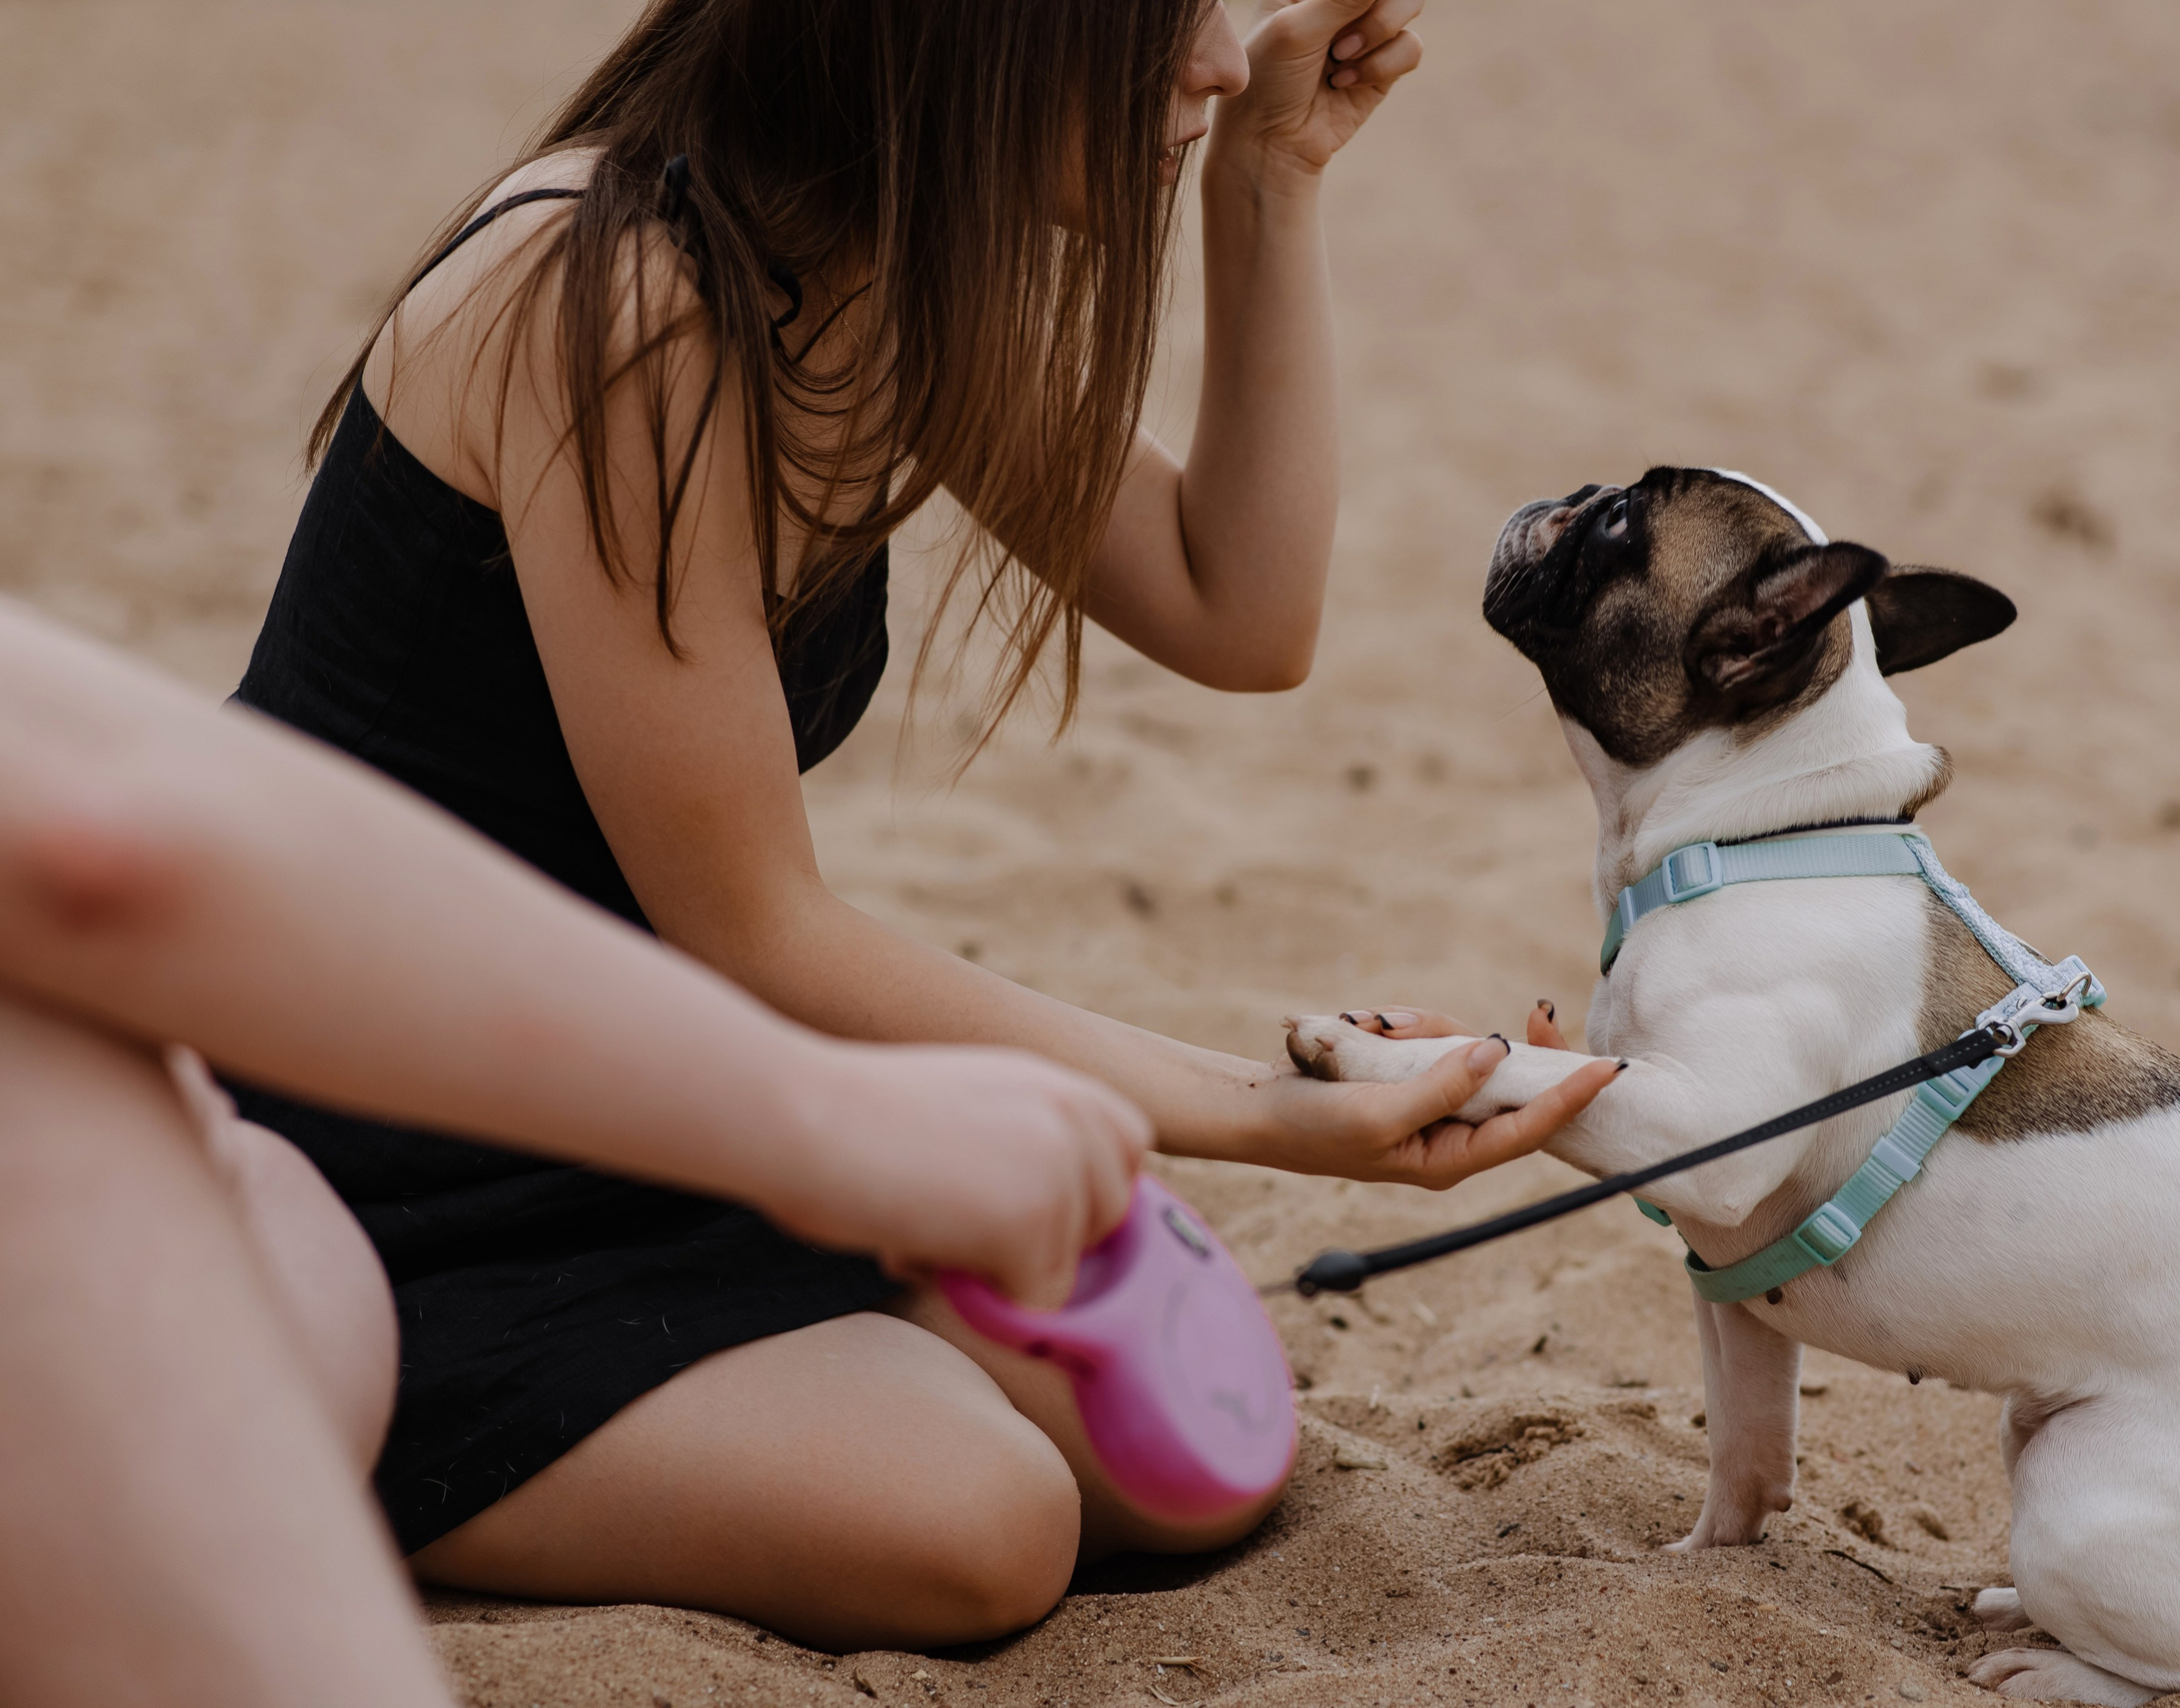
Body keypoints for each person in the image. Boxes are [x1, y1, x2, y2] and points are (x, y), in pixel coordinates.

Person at [230, 0, 1622, 1649]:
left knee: (1187, 1462)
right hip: (382, 1144)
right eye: (1160, 19)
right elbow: (755, 926)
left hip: (652, 1085)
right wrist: (1254, 1107)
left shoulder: (872, 262)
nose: (1219, 60)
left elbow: (1235, 603)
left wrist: (1269, 185)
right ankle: (250, 1447)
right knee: (983, 1518)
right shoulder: (626, 303)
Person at [0, 597, 1150, 1706]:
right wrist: (827, 1119)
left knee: (1141, 1448)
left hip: (532, 1147)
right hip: (421, 1180)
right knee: (150, 1166)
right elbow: (105, 839)